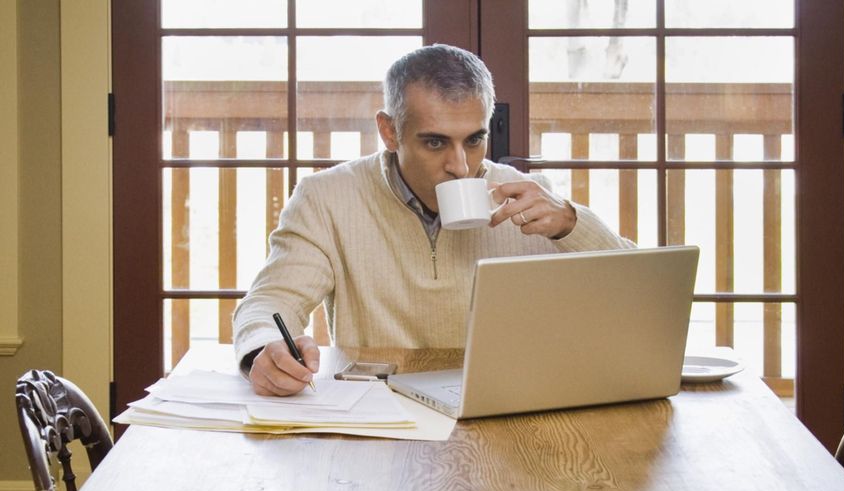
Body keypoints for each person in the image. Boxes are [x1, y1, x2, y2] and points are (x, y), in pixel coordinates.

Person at [234, 43, 634, 396]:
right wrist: (263, 351)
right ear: (389, 132)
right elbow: (270, 302)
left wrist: (571, 224)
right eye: (435, 141)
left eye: (474, 140)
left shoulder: (530, 197)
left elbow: (635, 295)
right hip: (379, 411)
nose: (460, 166)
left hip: (508, 411)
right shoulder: (326, 198)